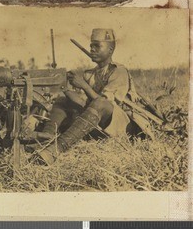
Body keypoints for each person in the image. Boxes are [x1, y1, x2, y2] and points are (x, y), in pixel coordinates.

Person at [36, 28, 142, 166]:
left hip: (119, 126)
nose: (92, 49)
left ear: (110, 50)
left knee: (100, 103)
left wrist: (84, 86)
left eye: (97, 45)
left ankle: (57, 148)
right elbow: (82, 103)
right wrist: (64, 87)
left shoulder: (119, 71)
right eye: (91, 45)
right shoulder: (89, 74)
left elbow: (106, 104)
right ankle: (46, 139)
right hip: (95, 124)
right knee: (63, 100)